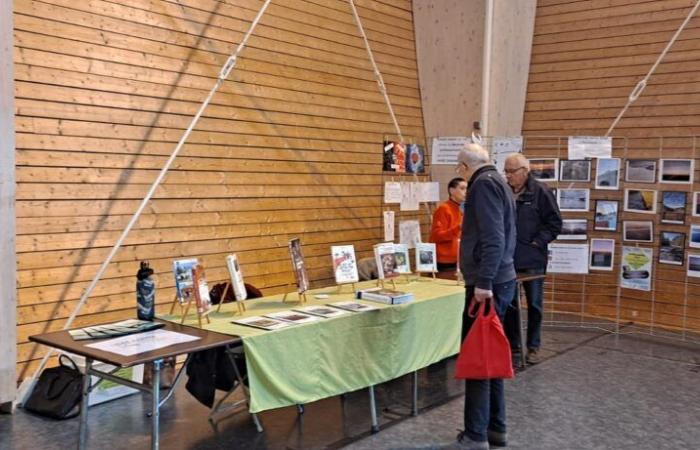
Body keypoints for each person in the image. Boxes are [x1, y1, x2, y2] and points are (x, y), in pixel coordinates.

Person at [448, 143, 517, 450]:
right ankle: (495, 429)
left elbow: (493, 238)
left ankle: (475, 434)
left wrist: (483, 281)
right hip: (499, 279)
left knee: (478, 358)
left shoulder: (483, 186)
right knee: (491, 358)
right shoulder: (498, 182)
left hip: (488, 284)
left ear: (464, 166)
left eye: (458, 168)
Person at [503, 153, 562, 365]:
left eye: (511, 171)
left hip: (534, 260)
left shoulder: (541, 192)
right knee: (510, 306)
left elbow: (555, 224)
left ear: (525, 171)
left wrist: (538, 242)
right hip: (509, 259)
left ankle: (534, 347)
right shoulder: (505, 191)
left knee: (534, 304)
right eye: (506, 171)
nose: (508, 176)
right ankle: (514, 347)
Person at [430, 177, 466, 278]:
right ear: (452, 191)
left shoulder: (462, 209)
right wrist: (458, 227)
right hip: (445, 263)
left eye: (467, 189)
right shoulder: (444, 209)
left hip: (459, 261)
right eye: (462, 188)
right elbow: (437, 236)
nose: (466, 192)